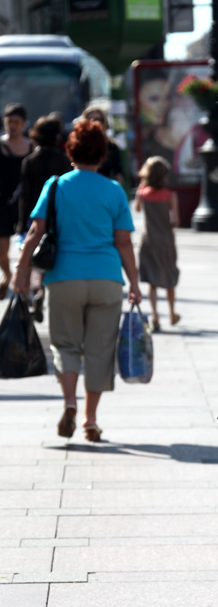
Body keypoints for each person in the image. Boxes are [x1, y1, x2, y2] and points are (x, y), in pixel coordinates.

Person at [11, 120, 142, 442]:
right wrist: (135, 283)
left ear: (70, 151)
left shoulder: (56, 185)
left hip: (64, 277)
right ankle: (90, 419)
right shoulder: (113, 190)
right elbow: (124, 242)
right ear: (102, 154)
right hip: (106, 279)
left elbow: (35, 232)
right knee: (99, 350)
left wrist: (21, 271)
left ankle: (70, 403)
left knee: (65, 345)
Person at [17, 116, 70, 321]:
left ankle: (32, 292)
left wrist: (22, 223)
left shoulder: (30, 161)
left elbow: (24, 195)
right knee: (50, 256)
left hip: (34, 217)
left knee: (31, 256)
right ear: (57, 136)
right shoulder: (64, 161)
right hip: (57, 218)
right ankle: (41, 291)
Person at [134, 156, 180, 331]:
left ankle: (155, 316)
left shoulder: (142, 194)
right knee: (169, 277)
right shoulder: (170, 196)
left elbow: (137, 209)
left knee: (152, 281)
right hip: (166, 241)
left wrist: (142, 186)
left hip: (148, 240)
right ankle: (172, 313)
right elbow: (176, 221)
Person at [0, 103, 32, 299]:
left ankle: (24, 288)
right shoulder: (1, 146)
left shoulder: (32, 147)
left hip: (26, 205)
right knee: (1, 251)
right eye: (9, 121)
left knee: (27, 248)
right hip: (2, 204)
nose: (12, 126)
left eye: (17, 122)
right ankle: (8, 274)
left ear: (24, 124)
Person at [81, 106, 124, 184]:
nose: (94, 123)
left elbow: (118, 172)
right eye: (89, 119)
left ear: (104, 123)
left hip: (104, 186)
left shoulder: (111, 147)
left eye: (98, 119)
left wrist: (114, 188)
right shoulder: (79, 145)